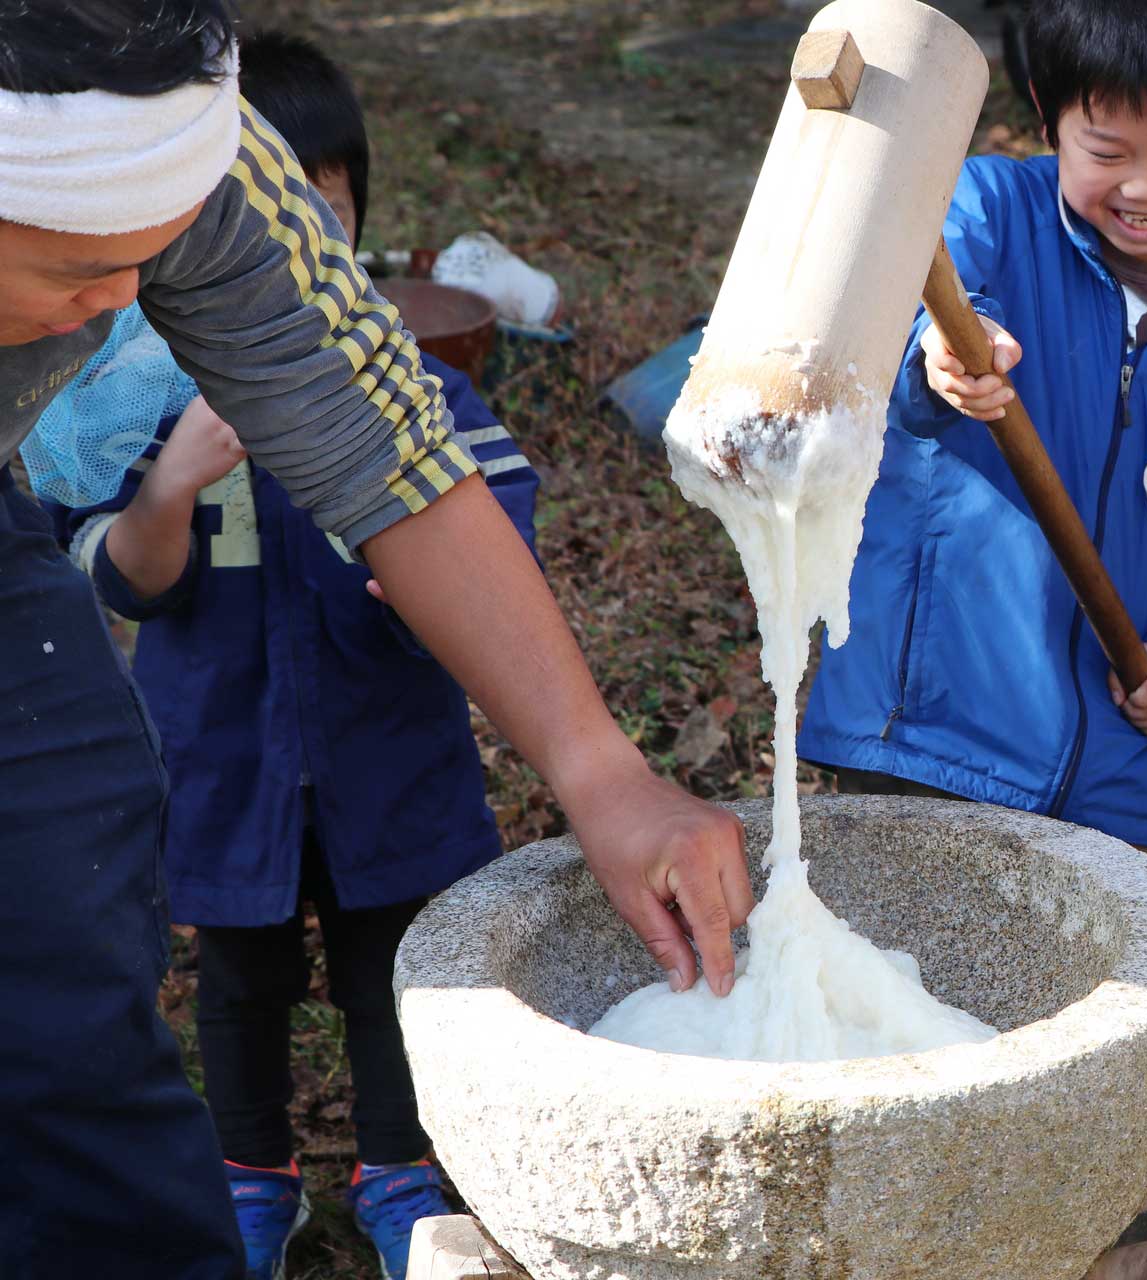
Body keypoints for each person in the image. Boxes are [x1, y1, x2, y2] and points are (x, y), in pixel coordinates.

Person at [0, 5, 749, 1275]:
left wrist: (602, 771)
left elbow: (380, 428)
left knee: (63, 863)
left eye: (156, 251)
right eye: (79, 264)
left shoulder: (195, 154)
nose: (130, 301)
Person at [36, 31, 536, 1280]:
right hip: (222, 757)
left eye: (328, 209)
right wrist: (171, 484)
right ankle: (249, 1171)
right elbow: (122, 579)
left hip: (386, 758)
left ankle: (400, 1168)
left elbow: (490, 520)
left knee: (392, 975)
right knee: (239, 983)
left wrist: (419, 579)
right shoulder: (140, 401)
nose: (296, 248)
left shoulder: (409, 385)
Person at [797, 0, 1147, 858]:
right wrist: (948, 355)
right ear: (1049, 114)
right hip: (928, 740)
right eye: (1108, 152)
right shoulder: (984, 207)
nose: (1146, 188)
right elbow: (911, 321)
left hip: (1114, 779)